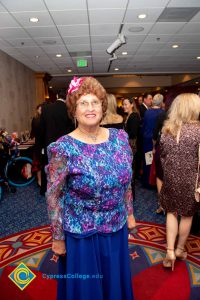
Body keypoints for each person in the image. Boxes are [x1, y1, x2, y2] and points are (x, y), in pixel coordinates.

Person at [46, 76, 136, 300]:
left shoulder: (120, 138)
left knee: (113, 283)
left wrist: (130, 213)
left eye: (95, 102)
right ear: (73, 110)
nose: (90, 108)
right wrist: (57, 237)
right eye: (83, 103)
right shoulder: (63, 147)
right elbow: (53, 196)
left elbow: (127, 181)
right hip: (81, 234)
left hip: (116, 227)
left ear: (103, 106)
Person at [159, 93, 200, 271]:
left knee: (171, 212)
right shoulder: (199, 130)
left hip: (171, 178)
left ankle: (169, 252)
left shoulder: (167, 129)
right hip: (191, 180)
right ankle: (180, 249)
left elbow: (162, 156)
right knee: (187, 215)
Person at [39, 90, 74, 195]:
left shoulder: (46, 109)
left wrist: (41, 145)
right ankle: (62, 191)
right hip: (64, 144)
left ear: (57, 96)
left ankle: (45, 190)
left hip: (48, 144)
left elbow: (42, 129)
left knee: (48, 166)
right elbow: (71, 130)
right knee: (64, 168)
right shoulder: (69, 109)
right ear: (67, 98)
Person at [142, 94, 164, 188]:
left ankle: (147, 182)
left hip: (146, 139)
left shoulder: (147, 112)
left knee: (148, 161)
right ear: (161, 102)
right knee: (157, 163)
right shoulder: (162, 113)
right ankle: (155, 183)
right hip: (157, 141)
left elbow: (144, 126)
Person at [122, 98, 140, 198]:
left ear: (132, 105)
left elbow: (133, 133)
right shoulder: (128, 116)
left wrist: (123, 134)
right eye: (123, 105)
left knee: (131, 169)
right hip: (128, 145)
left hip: (131, 146)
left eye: (126, 104)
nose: (124, 106)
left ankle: (131, 194)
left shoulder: (134, 116)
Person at [30, 104, 42, 186]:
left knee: (43, 163)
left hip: (44, 143)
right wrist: (32, 137)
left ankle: (42, 181)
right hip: (38, 143)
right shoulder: (35, 119)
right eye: (39, 109)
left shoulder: (46, 119)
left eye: (42, 109)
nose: (40, 111)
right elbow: (33, 131)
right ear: (37, 110)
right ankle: (39, 181)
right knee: (38, 164)